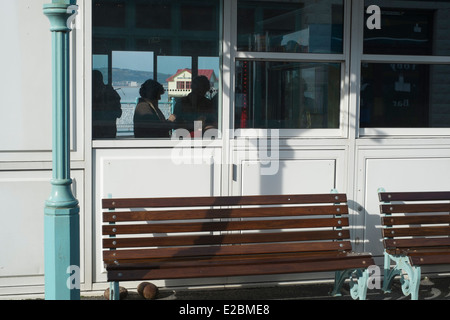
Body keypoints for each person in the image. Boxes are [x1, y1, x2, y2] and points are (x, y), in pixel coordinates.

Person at [92, 70, 122, 138]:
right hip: (106, 131)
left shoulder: (110, 94)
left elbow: (118, 113)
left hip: (106, 132)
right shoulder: (111, 93)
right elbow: (118, 113)